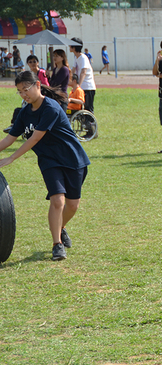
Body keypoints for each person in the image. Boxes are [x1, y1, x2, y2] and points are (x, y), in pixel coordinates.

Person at [0, 71, 90, 261]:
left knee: (72, 206)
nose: (23, 95)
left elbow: (35, 137)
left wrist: (12, 158)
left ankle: (61, 227)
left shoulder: (51, 107)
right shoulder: (25, 113)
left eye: (26, 89)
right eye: (19, 92)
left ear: (37, 86)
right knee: (58, 201)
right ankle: (57, 244)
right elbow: (9, 138)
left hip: (73, 159)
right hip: (49, 161)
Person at [70, 38, 97, 113]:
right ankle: (85, 123)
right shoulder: (76, 57)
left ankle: (91, 124)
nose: (69, 47)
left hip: (88, 87)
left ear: (74, 47)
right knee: (81, 108)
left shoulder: (83, 58)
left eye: (70, 45)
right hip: (82, 87)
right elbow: (73, 69)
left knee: (88, 108)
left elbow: (83, 72)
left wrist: (79, 86)